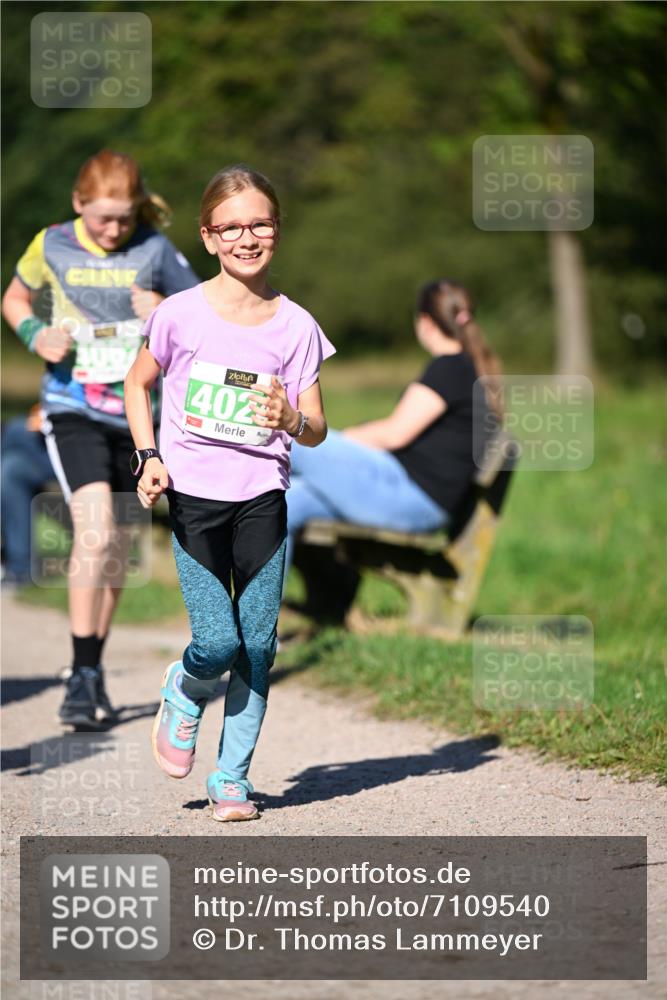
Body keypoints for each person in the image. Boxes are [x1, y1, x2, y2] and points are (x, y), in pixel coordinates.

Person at [124, 164, 334, 822]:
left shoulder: (296, 326)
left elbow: (318, 428)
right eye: (232, 227)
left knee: (258, 644)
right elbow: (137, 383)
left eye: (260, 224)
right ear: (208, 237)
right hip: (194, 498)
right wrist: (148, 456)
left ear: (277, 231)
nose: (247, 238)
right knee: (217, 643)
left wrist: (290, 418)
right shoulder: (179, 315)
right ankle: (186, 689)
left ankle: (231, 777)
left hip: (262, 498)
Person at [1, 149, 200, 728]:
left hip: (138, 415)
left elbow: (203, 313)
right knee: (97, 529)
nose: (115, 230)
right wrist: (34, 332)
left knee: (116, 548)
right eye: (103, 218)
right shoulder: (52, 244)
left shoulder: (154, 247)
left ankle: (91, 669)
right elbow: (13, 297)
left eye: (125, 218)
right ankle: (81, 675)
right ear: (78, 203)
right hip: (74, 407)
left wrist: (164, 308)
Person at [285, 278, 503, 581]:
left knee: (288, 442)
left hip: (411, 500)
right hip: (414, 496)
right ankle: (268, 611)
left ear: (425, 322)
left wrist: (338, 444)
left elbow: (394, 434)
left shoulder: (449, 369)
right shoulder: (466, 368)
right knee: (284, 505)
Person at [1, 406, 55, 588]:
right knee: (10, 468)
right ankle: (19, 568)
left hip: (80, 449)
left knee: (14, 431)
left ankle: (17, 565)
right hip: (52, 439)